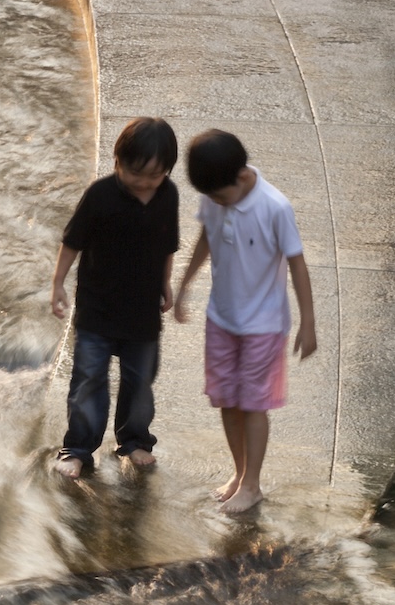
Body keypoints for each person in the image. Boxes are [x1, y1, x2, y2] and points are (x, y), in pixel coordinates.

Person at [174, 129, 317, 514]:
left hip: (264, 325)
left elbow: (297, 263)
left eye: (220, 196)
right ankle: (239, 475)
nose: (216, 203)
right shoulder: (213, 193)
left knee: (253, 403)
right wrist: (185, 285)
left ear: (240, 177)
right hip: (221, 317)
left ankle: (252, 484)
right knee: (225, 399)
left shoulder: (274, 207)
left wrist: (308, 322)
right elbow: (206, 235)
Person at [50, 116, 179, 478]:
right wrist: (58, 282)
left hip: (142, 312)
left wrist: (166, 283)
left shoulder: (168, 195)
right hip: (97, 309)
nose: (143, 184)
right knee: (89, 380)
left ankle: (134, 440)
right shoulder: (100, 195)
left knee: (140, 382)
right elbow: (72, 241)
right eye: (134, 174)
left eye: (153, 177)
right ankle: (77, 449)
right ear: (116, 162)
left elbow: (167, 245)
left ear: (167, 172)